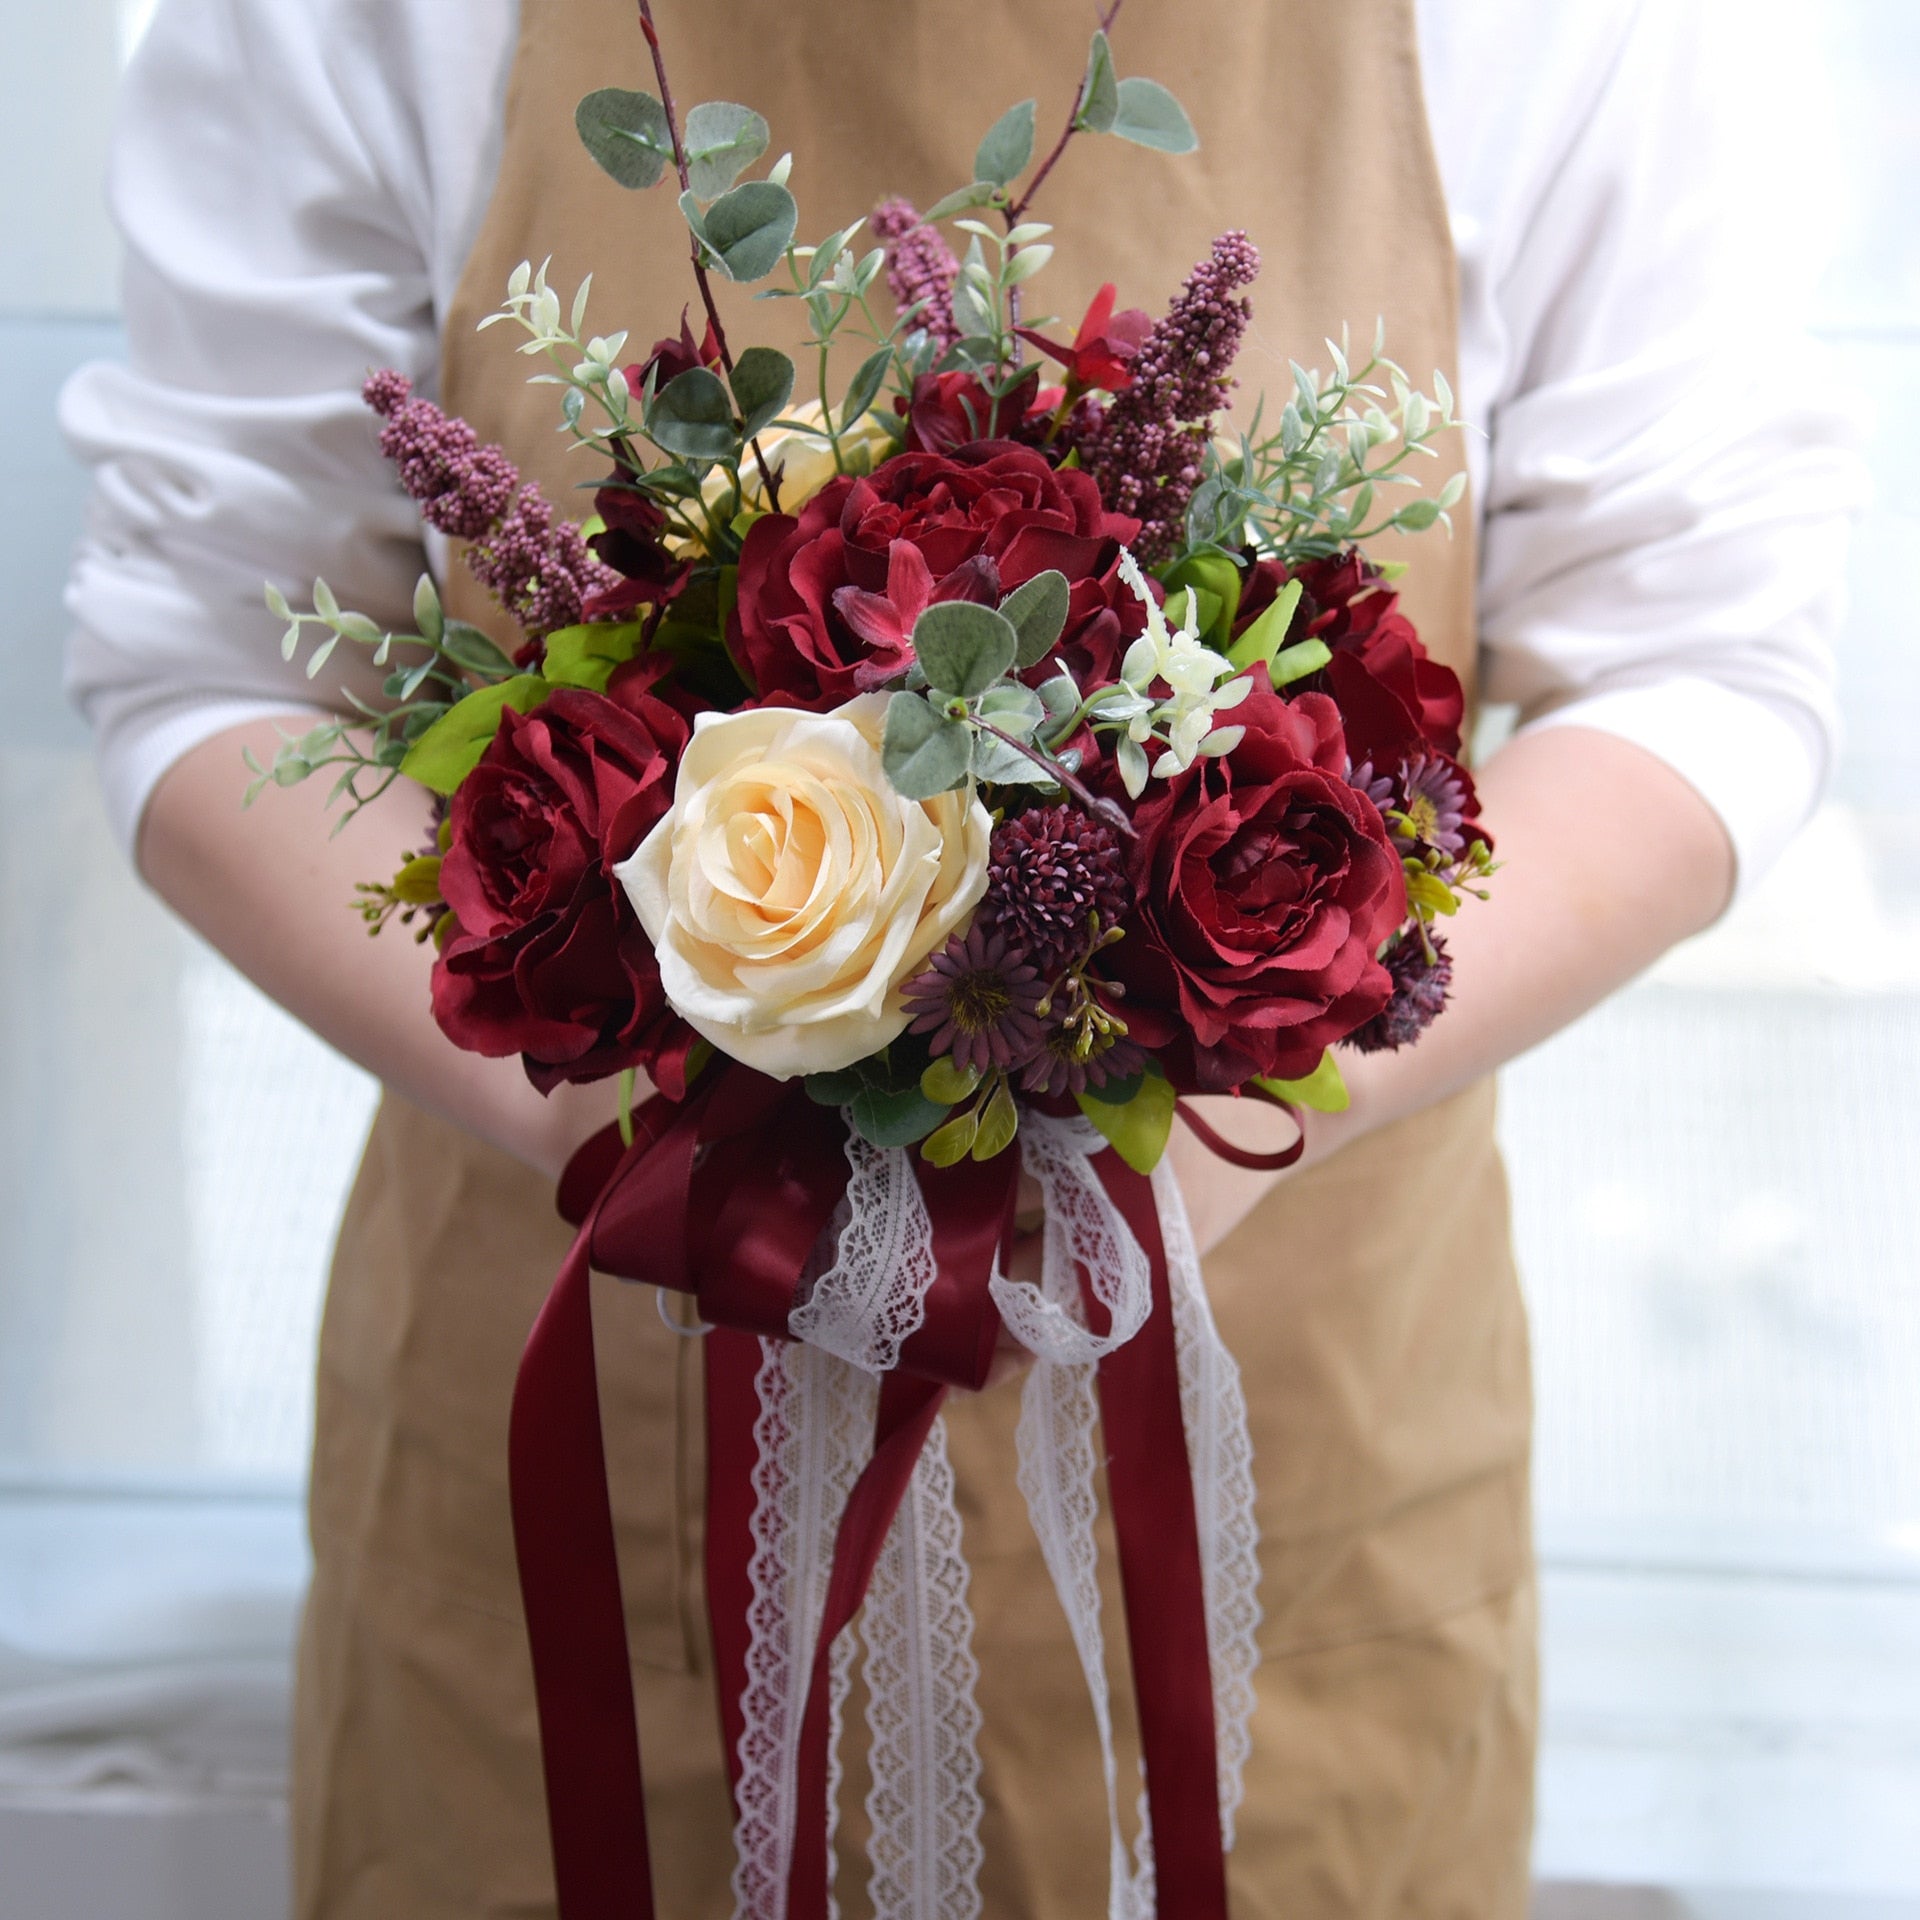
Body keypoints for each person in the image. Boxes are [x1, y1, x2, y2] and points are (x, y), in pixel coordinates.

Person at [61, 0, 1855, 1914]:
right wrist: (668, 1127)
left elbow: (1700, 661)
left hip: (1297, 1500)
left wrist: (1226, 1089)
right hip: (588, 1496)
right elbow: (207, 656)